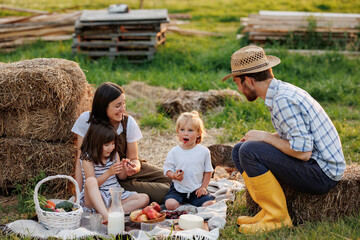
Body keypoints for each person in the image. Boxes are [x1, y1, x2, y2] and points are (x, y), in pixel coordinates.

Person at [222, 45, 346, 234]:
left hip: (322, 173)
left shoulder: (282, 100)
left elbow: (303, 153)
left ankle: (278, 217)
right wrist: (266, 138)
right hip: (316, 164)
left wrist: (264, 137)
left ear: (248, 80)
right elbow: (297, 136)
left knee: (249, 150)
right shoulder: (280, 93)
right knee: (240, 149)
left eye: (238, 83)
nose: (238, 89)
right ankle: (266, 211)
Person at [72, 82, 171, 204]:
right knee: (165, 192)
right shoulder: (86, 121)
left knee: (172, 179)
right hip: (114, 178)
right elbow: (79, 159)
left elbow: (134, 158)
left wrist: (134, 167)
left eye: (123, 103)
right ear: (103, 106)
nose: (123, 109)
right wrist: (78, 195)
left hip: (125, 168)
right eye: (118, 105)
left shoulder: (128, 122)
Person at [80, 123, 149, 222]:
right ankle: (106, 215)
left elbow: (121, 177)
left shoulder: (114, 155)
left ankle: (106, 212)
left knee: (144, 198)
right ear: (96, 143)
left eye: (113, 144)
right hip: (95, 197)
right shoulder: (87, 159)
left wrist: (124, 168)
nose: (111, 148)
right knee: (90, 181)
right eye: (107, 145)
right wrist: (108, 173)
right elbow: (92, 184)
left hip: (113, 194)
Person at [163, 111, 215, 210]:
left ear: (198, 134)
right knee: (170, 204)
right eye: (182, 130)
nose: (185, 133)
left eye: (190, 130)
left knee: (209, 203)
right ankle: (183, 208)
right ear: (178, 132)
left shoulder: (204, 152)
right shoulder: (174, 152)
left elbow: (208, 171)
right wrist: (174, 175)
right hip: (178, 188)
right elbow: (167, 170)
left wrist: (203, 187)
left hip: (196, 189)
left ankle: (191, 203)